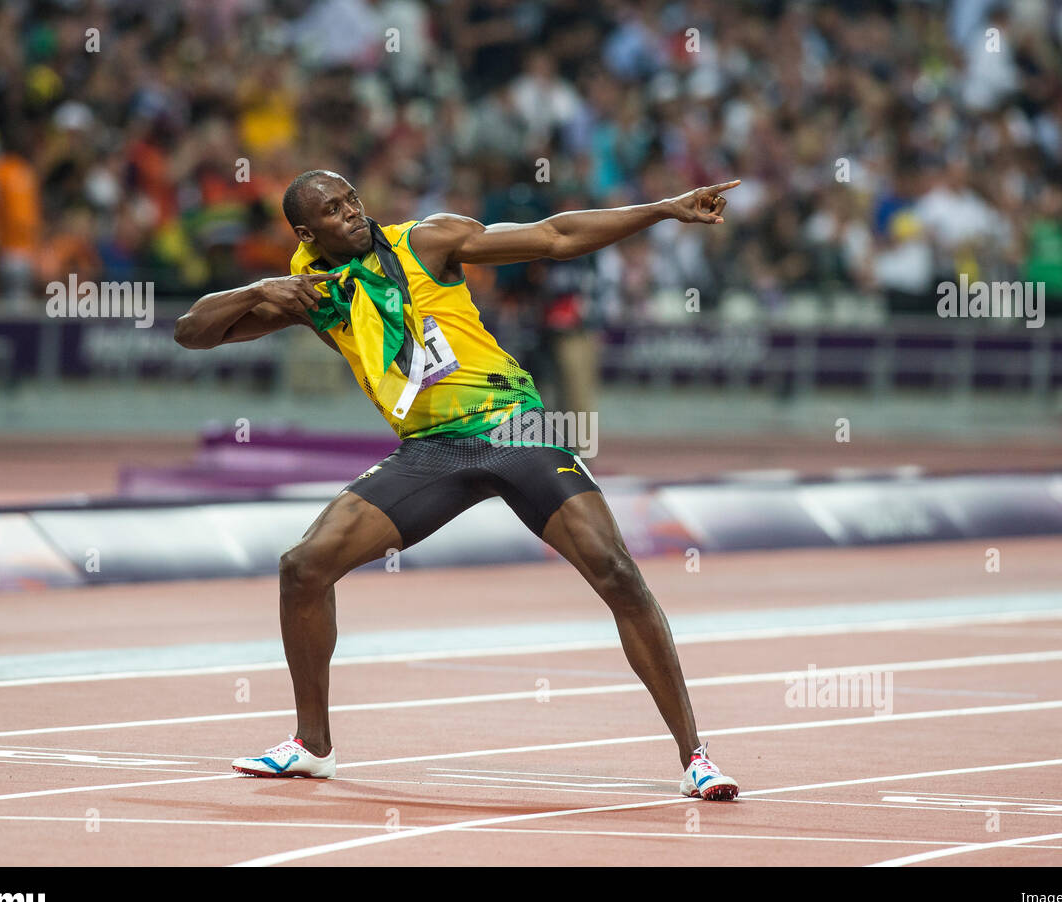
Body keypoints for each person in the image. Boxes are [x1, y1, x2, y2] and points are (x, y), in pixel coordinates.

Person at [174, 170, 741, 800]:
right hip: (431, 450)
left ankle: (696, 756)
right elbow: (193, 332)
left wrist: (664, 208)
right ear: (308, 233)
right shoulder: (312, 295)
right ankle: (312, 745)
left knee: (615, 570)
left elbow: (554, 237)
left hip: (513, 426)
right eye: (335, 211)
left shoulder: (428, 242)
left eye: (354, 199)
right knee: (303, 567)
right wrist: (261, 287)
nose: (353, 214)